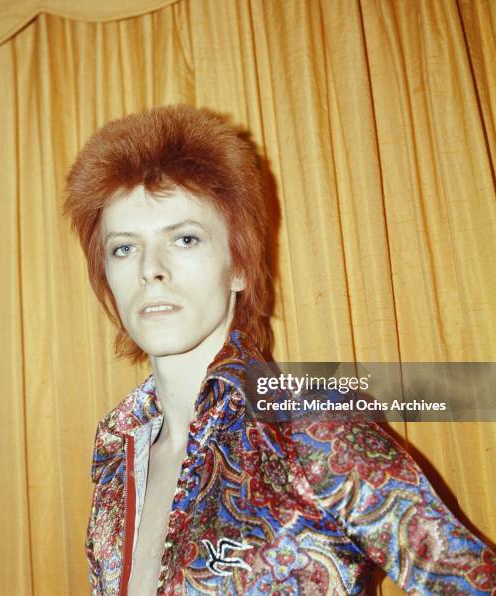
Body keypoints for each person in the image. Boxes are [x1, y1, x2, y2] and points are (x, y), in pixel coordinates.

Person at [64, 105, 495, 595]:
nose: (150, 269)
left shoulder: (308, 425)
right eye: (124, 248)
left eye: (184, 238)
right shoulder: (116, 453)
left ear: (239, 268)